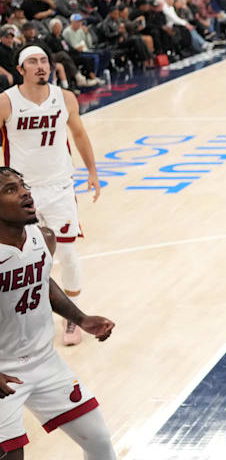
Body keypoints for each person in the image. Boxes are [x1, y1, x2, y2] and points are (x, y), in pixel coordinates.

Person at [0, 167, 117, 459]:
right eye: (10, 190)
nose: (26, 192)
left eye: (23, 185)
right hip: (3, 372)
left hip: (45, 363)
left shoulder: (43, 237)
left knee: (100, 442)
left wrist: (81, 318)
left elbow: (42, 281)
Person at [0, 46, 103, 346]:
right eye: (33, 61)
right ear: (21, 69)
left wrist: (92, 172)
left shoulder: (65, 97)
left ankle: (71, 318)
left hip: (59, 188)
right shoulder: (7, 102)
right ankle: (22, 323)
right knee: (21, 261)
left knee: (68, 255)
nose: (40, 66)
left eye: (44, 60)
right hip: (21, 193)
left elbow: (80, 134)